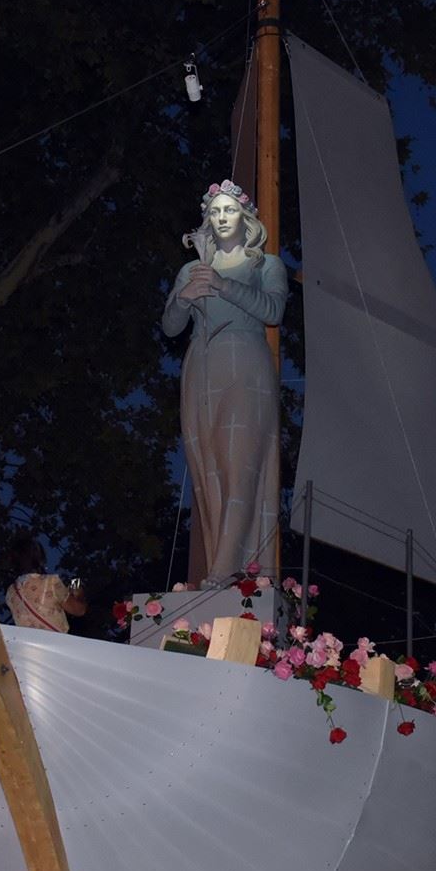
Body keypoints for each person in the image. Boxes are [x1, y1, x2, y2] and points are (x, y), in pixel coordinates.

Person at [160, 180, 288, 584]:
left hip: (246, 363)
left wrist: (222, 285)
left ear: (245, 217)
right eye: (214, 212)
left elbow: (273, 310)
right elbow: (170, 326)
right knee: (209, 470)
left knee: (240, 463)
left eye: (230, 210)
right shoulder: (190, 269)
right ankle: (224, 560)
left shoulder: (265, 265)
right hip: (201, 366)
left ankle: (224, 572)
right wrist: (185, 297)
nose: (222, 217)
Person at [1, 536, 87, 633]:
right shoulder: (51, 582)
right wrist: (79, 594)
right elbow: (79, 610)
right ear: (39, 559)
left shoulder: (10, 593)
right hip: (54, 641)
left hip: (27, 640)